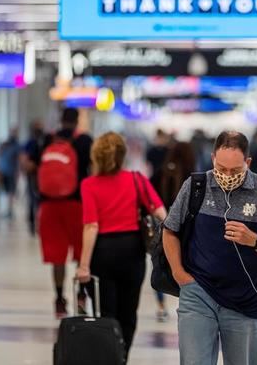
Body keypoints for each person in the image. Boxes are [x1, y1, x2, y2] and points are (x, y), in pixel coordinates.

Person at [162, 131, 257, 365]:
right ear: (213, 158)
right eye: (221, 168)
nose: (227, 175)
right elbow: (170, 229)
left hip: (244, 300)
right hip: (198, 293)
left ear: (248, 163)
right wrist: (179, 274)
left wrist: (255, 240)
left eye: (235, 170)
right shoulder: (196, 186)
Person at [76, 132, 166, 360]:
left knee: (106, 313)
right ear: (123, 155)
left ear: (95, 156)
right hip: (132, 251)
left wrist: (84, 266)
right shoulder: (137, 179)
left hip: (103, 253)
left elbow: (91, 226)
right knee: (129, 312)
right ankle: (122, 355)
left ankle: (109, 357)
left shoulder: (89, 185)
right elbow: (161, 213)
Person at [35, 108, 93, 317]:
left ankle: (59, 299)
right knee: (81, 254)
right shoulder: (84, 141)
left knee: (56, 255)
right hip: (76, 205)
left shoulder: (48, 139)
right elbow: (93, 171)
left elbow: (32, 167)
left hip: (49, 206)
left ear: (60, 120)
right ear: (77, 120)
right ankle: (81, 297)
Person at [151, 141, 196, 322]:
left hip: (161, 227)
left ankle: (161, 306)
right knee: (185, 266)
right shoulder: (193, 177)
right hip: (185, 231)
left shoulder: (160, 173)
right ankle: (185, 302)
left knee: (160, 264)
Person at [20, 120, 46, 236]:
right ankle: (33, 224)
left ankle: (38, 223)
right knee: (33, 200)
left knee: (37, 200)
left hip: (41, 174)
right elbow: (24, 158)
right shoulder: (32, 142)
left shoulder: (42, 141)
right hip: (34, 174)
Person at [0, 128, 21, 218]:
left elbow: (19, 159)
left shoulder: (16, 145)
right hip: (5, 171)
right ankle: (7, 210)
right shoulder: (5, 145)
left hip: (11, 171)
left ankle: (9, 210)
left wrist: (18, 172)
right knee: (7, 191)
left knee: (10, 191)